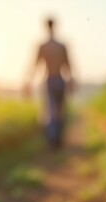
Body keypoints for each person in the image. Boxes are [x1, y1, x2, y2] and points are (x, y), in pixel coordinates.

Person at [24, 18, 75, 149]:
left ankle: (54, 139)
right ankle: (57, 138)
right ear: (55, 26)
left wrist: (28, 81)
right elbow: (68, 65)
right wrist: (70, 81)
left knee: (52, 111)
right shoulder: (61, 46)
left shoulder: (44, 46)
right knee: (59, 110)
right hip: (60, 80)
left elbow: (35, 65)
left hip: (49, 80)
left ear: (46, 27)